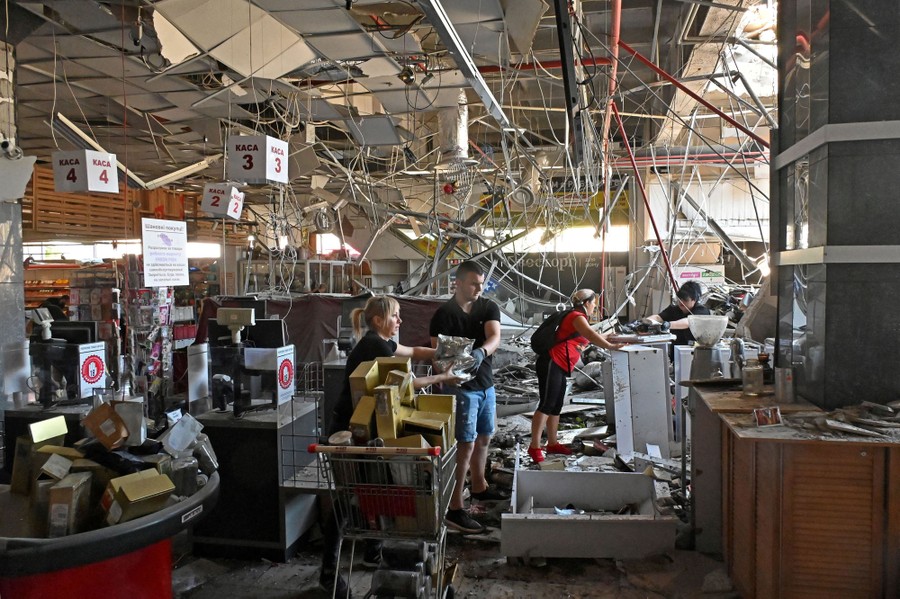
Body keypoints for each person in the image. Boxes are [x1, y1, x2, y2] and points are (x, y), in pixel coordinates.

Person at [321, 295, 465, 596]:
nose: (400, 321)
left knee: (370, 490)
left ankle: (372, 551)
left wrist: (447, 351)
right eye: (396, 316)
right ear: (378, 321)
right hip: (350, 430)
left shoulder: (381, 342)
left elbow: (413, 351)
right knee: (351, 498)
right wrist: (444, 376)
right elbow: (406, 384)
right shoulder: (375, 345)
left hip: (364, 428)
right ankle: (329, 570)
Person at [429, 260, 503, 535]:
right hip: (461, 389)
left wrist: (482, 352)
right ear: (458, 283)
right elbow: (436, 355)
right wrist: (447, 372)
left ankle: (480, 486)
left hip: (485, 384)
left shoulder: (487, 307)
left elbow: (495, 337)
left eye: (481, 283)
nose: (479, 288)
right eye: (474, 283)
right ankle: (456, 507)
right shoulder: (443, 314)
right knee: (465, 445)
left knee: (484, 437)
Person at [529, 289, 626, 463]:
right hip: (552, 362)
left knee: (556, 405)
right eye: (594, 303)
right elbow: (589, 335)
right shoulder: (577, 317)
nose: (595, 306)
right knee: (547, 404)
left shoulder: (578, 319)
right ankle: (534, 447)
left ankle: (552, 443)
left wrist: (608, 338)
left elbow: (585, 337)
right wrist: (610, 347)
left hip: (558, 364)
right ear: (586, 303)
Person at [643, 280, 710, 346]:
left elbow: (688, 322)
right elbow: (658, 317)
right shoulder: (673, 309)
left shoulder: (702, 311)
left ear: (694, 300)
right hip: (675, 351)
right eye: (680, 299)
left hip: (694, 351)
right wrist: (644, 322)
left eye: (685, 299)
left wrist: (668, 325)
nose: (681, 302)